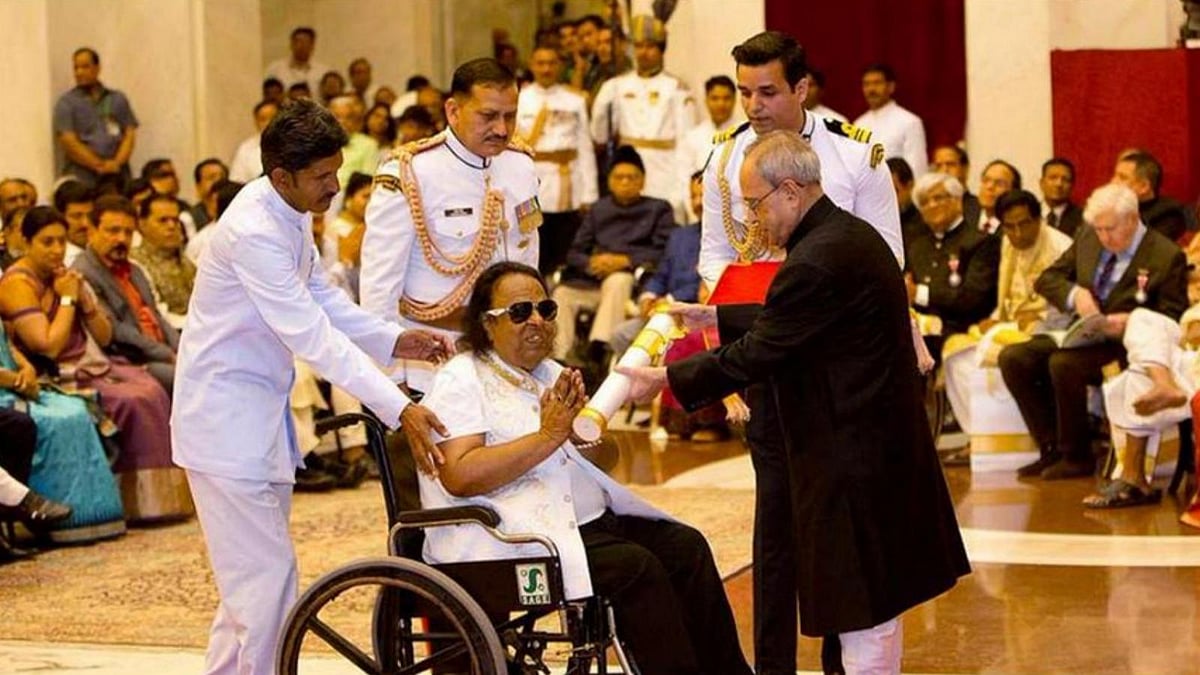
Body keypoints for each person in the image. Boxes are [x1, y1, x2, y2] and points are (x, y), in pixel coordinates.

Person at [619, 131, 969, 673]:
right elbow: (804, 319)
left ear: (789, 191)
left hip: (851, 456)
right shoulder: (841, 236)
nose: (754, 218)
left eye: (755, 203)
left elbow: (763, 350)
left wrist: (664, 380)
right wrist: (718, 317)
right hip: (874, 446)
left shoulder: (816, 259)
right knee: (876, 609)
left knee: (865, 614)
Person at [171, 99, 453, 675]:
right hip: (223, 423)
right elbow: (311, 336)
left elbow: (321, 296)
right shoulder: (253, 230)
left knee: (248, 592)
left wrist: (394, 339)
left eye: (336, 170)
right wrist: (399, 407)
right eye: (323, 177)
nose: (335, 186)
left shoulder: (290, 208)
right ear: (282, 176)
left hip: (256, 418)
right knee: (266, 589)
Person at [419, 261, 753, 675]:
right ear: (488, 325)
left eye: (545, 309)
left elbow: (602, 455)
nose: (537, 320)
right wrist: (547, 438)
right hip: (507, 539)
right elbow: (459, 474)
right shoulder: (462, 378)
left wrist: (582, 436)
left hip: (579, 523)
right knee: (636, 568)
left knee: (686, 547)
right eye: (520, 312)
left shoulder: (550, 373)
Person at [696, 31, 903, 674]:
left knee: (836, 523)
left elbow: (889, 256)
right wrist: (727, 356)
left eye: (767, 91)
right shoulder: (724, 161)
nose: (753, 106)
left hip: (835, 369)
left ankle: (845, 661)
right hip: (764, 356)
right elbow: (714, 258)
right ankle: (774, 666)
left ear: (801, 88)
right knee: (776, 525)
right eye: (743, 92)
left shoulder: (853, 155)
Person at [362, 58, 541, 400]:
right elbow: (379, 291)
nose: (502, 129)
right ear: (453, 111)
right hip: (436, 362)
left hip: (510, 358)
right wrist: (388, 382)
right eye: (488, 116)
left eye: (510, 116)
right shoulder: (411, 174)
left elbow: (529, 257)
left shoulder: (520, 166)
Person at [0, 206, 176, 525]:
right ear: (26, 242)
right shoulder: (17, 284)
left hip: (92, 363)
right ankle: (126, 502)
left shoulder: (65, 277)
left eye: (61, 242)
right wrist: (67, 300)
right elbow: (49, 346)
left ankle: (149, 502)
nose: (56, 250)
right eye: (46, 242)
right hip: (52, 374)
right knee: (132, 400)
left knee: (150, 389)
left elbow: (104, 337)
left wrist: (85, 301)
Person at [999, 184, 1189, 480]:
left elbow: (1172, 317)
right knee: (1014, 357)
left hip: (1125, 344)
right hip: (1083, 330)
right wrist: (1075, 295)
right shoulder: (1089, 237)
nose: (1103, 236)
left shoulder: (1166, 255)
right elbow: (1049, 279)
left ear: (1131, 219)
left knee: (1063, 365)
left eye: (1109, 229)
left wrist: (1131, 321)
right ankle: (1050, 446)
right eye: (1098, 229)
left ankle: (1077, 456)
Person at [941, 189, 1072, 438]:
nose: (1018, 234)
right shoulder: (1007, 243)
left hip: (1050, 328)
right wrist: (997, 316)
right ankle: (980, 435)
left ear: (1038, 219)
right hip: (1012, 323)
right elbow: (1009, 294)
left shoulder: (1061, 246)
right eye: (1010, 227)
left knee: (991, 348)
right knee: (955, 355)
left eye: (1024, 224)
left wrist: (1039, 319)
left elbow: (1071, 306)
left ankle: (1026, 436)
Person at [1, 321, 118, 547]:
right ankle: (26, 505)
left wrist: (27, 371)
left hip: (16, 385)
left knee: (74, 412)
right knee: (43, 422)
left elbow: (9, 346)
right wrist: (15, 380)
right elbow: (47, 346)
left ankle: (91, 516)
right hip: (5, 391)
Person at [551, 146, 672, 364]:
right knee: (562, 294)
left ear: (643, 181)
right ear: (609, 181)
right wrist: (592, 262)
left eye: (632, 177)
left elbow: (663, 251)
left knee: (618, 280)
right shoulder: (599, 210)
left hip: (631, 284)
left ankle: (599, 350)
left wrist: (625, 260)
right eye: (619, 177)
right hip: (593, 281)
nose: (625, 183)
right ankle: (559, 358)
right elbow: (574, 252)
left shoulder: (658, 209)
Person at [1083, 306, 1200, 508]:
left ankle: (1133, 479)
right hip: (1192, 363)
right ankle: (1162, 381)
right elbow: (1189, 330)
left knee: (1138, 375)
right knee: (1142, 318)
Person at [590, 15, 696, 221]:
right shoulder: (617, 85)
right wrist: (602, 102)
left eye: (650, 46)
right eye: (638, 46)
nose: (643, 52)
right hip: (628, 169)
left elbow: (687, 141)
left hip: (666, 173)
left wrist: (682, 187)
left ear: (661, 49)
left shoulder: (676, 88)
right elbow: (599, 135)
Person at [72, 195, 179, 393]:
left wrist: (183, 349)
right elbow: (117, 331)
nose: (121, 239)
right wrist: (168, 354)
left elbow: (156, 316)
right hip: (129, 359)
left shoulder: (134, 270)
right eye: (113, 231)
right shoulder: (84, 273)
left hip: (160, 350)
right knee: (189, 381)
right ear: (92, 231)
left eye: (128, 232)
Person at [516, 45, 599, 276]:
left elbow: (585, 147)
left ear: (560, 66)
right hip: (531, 181)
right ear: (532, 65)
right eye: (540, 63)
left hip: (567, 180)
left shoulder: (574, 100)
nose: (546, 69)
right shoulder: (519, 99)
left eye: (551, 63)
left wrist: (589, 192)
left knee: (566, 246)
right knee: (532, 246)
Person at [906, 171, 1001, 360]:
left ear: (957, 201)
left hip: (961, 328)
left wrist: (919, 293)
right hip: (921, 328)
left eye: (938, 198)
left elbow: (972, 299)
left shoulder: (981, 242)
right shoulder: (917, 246)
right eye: (924, 202)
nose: (931, 205)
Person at [53, 47, 138, 192]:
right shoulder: (66, 102)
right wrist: (99, 165)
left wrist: (116, 164)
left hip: (118, 175)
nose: (79, 72)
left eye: (85, 67)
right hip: (83, 177)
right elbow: (68, 141)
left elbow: (129, 133)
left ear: (97, 68)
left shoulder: (117, 98)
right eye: (76, 68)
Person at [853, 63, 927, 177]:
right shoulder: (858, 124)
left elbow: (917, 168)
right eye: (866, 84)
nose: (871, 89)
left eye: (877, 83)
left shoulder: (910, 122)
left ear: (891, 87)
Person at [132, 193, 197, 320]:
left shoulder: (189, 263)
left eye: (175, 220)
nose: (172, 226)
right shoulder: (135, 265)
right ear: (142, 224)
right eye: (163, 220)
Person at [1111, 150, 1189, 242]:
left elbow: (1149, 249)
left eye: (1122, 178)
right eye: (1114, 176)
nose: (1113, 182)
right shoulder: (1108, 207)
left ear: (1144, 187)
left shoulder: (1169, 215)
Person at [683, 75, 739, 174]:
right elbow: (684, 175)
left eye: (726, 98)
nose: (721, 104)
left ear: (734, 100)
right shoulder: (693, 137)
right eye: (715, 98)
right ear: (706, 100)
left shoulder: (745, 134)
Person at [264, 27, 330, 95]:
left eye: (306, 42)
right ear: (291, 44)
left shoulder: (323, 72)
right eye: (298, 41)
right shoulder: (275, 69)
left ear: (312, 46)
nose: (301, 46)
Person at [229, 100, 279, 183]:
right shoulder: (246, 148)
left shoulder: (294, 142)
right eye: (263, 119)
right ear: (256, 122)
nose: (268, 122)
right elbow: (237, 181)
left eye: (272, 117)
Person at [52, 180, 95, 266]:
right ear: (60, 217)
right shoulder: (56, 259)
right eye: (76, 216)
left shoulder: (101, 251)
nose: (85, 224)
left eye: (90, 215)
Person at [1040, 157, 1082, 238]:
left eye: (1065, 179)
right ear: (1042, 183)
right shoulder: (1030, 214)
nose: (1059, 184)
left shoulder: (1083, 219)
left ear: (1072, 186)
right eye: (1053, 178)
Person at [190, 158, 230, 231]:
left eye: (222, 177)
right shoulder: (189, 218)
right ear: (198, 187)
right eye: (211, 177)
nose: (218, 181)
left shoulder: (236, 211)